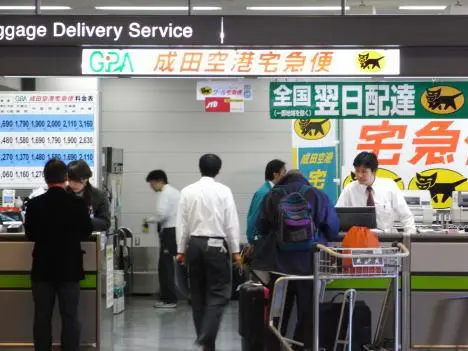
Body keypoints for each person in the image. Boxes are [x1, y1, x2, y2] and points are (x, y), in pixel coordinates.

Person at [253, 170, 340, 351]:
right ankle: (302, 347)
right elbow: (332, 229)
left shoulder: (272, 196)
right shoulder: (317, 195)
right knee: (308, 313)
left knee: (277, 314)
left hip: (278, 266)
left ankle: (274, 347)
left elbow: (260, 226)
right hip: (310, 264)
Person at [24, 158, 93, 351]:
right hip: (70, 269)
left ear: (45, 178)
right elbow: (86, 232)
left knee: (41, 316)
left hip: (42, 269)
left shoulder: (34, 204)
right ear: (65, 178)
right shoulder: (77, 204)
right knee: (70, 317)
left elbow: (30, 235)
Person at [176, 154, 241, 351]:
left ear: (200, 168)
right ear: (218, 170)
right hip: (216, 245)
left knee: (197, 294)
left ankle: (206, 342)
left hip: (194, 245)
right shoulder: (224, 191)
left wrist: (181, 249)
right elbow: (231, 223)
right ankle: (207, 335)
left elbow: (182, 223)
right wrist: (235, 250)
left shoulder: (187, 191)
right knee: (218, 293)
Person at [336, 151, 416, 234]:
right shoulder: (349, 189)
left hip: (385, 239)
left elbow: (405, 215)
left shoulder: (389, 186)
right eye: (357, 171)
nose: (359, 175)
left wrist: (410, 238)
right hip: (358, 239)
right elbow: (337, 216)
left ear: (374, 171)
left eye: (364, 171)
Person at [144, 170, 181, 309]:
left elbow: (162, 214)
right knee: (168, 265)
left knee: (165, 267)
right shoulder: (175, 192)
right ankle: (169, 297)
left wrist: (149, 219)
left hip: (169, 232)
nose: (151, 187)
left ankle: (169, 299)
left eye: (152, 183)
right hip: (176, 231)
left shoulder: (165, 193)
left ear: (159, 181)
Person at [246, 159, 286, 244]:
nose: (285, 175)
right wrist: (252, 240)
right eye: (283, 172)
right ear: (275, 174)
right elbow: (253, 218)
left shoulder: (274, 191)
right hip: (261, 241)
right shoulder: (263, 192)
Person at [67, 160, 111, 232]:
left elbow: (105, 223)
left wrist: (83, 220)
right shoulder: (62, 194)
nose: (72, 184)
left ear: (86, 179)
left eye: (76, 181)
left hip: (90, 240)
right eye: (70, 180)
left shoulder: (99, 195)